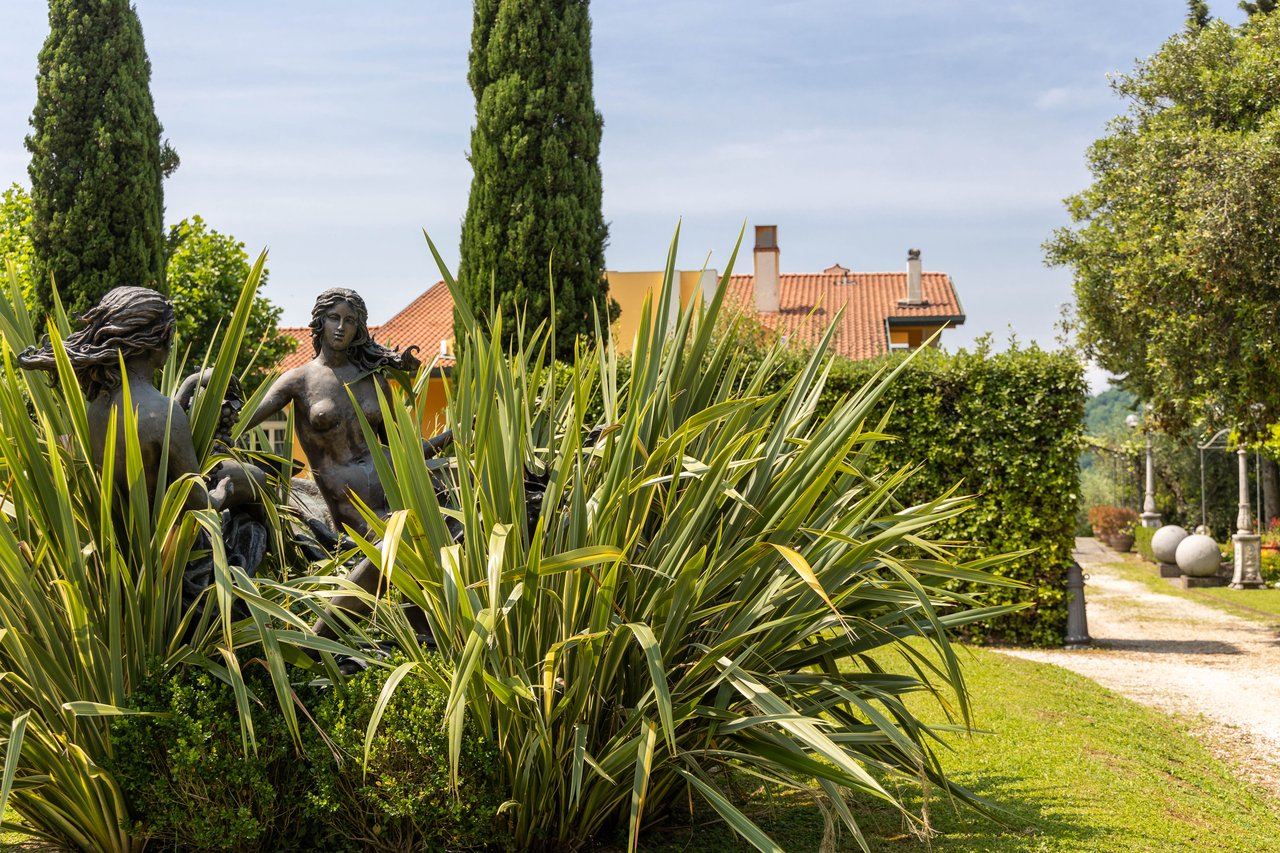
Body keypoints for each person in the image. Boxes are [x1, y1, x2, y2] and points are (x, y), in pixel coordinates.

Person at [19, 286, 266, 605]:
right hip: (179, 561)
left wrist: (191, 384)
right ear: (157, 340)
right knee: (256, 484)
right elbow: (196, 503)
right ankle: (247, 602)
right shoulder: (165, 412)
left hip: (126, 550)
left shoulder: (98, 406)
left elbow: (150, 455)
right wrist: (224, 493)